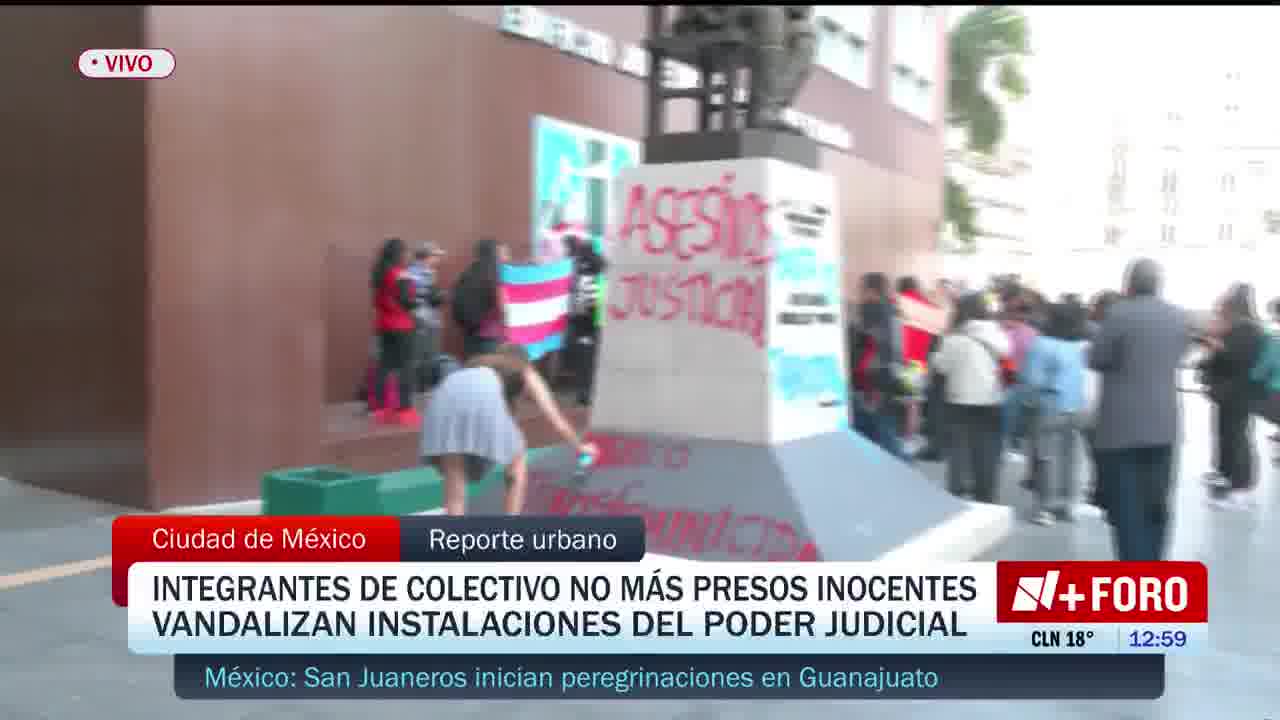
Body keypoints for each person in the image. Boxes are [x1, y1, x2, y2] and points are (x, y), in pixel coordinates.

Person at [1090, 258, 1191, 562]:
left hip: (1121, 428)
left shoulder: (1119, 314)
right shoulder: (1178, 316)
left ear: (1129, 284)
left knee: (1127, 505)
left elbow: (1098, 358)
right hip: (1164, 425)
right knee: (1157, 502)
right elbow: (1181, 353)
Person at [420, 343, 597, 516]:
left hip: (442, 400)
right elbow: (555, 419)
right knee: (518, 460)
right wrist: (581, 446)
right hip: (476, 397)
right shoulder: (524, 370)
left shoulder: (479, 363)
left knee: (455, 479)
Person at [931, 291, 1010, 503]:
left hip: (959, 400)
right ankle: (985, 493)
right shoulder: (996, 333)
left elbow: (941, 366)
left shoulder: (953, 338)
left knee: (959, 447)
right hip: (990, 399)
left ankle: (958, 490)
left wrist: (940, 346)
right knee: (987, 449)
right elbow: (1006, 353)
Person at [1020, 300, 1089, 525]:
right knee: (1071, 455)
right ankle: (1068, 504)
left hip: (1049, 405)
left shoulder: (1042, 344)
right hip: (1077, 406)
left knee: (1045, 456)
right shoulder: (1082, 346)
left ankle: (1045, 508)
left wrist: (1028, 401)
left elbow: (1032, 379)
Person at [1198, 283, 1265, 508]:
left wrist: (1217, 347)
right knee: (1226, 433)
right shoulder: (1239, 327)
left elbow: (1238, 359)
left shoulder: (1248, 329)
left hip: (1240, 392)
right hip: (1228, 392)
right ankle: (1226, 474)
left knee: (1237, 436)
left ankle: (1241, 486)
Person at [850, 272, 907, 460]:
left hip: (873, 379)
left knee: (880, 430)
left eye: (861, 289)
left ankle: (900, 469)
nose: (859, 293)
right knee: (884, 428)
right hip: (889, 376)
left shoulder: (871, 311)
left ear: (871, 291)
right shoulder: (894, 312)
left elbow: (864, 347)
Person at [371, 237, 420, 426]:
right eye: (406, 252)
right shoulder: (401, 274)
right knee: (406, 366)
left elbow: (380, 301)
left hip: (384, 325)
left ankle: (382, 409)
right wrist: (418, 301)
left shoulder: (381, 273)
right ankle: (405, 409)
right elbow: (408, 301)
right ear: (399, 254)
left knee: (385, 365)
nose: (408, 255)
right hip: (402, 326)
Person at [564, 236, 608, 406]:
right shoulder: (600, 266)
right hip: (595, 320)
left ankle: (583, 393)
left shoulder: (577, 268)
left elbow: (578, 298)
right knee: (591, 358)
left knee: (583, 358)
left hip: (581, 322)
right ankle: (589, 392)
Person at [453, 239, 509, 359]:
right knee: (490, 372)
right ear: (495, 253)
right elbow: (502, 306)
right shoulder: (495, 273)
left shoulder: (468, 272)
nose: (506, 256)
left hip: (470, 332)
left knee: (474, 368)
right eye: (503, 252)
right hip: (491, 335)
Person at [405, 242, 447, 391]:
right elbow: (425, 297)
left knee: (428, 358)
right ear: (427, 256)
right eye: (436, 256)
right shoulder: (416, 273)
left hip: (427, 321)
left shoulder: (427, 271)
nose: (438, 260)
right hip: (421, 321)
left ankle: (423, 390)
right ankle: (418, 391)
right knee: (421, 358)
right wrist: (439, 296)